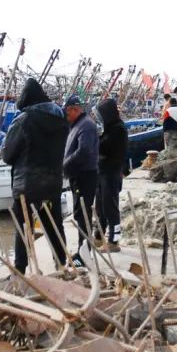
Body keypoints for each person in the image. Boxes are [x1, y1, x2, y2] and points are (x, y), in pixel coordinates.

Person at [2, 78, 69, 273]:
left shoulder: (24, 119)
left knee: (23, 228)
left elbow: (7, 154)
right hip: (53, 182)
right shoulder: (61, 119)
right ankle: (61, 265)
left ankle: (20, 270)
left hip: (27, 184)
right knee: (54, 225)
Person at [62, 95, 99, 266]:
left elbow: (83, 150)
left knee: (83, 215)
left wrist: (65, 165)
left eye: (67, 113)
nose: (66, 117)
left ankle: (84, 254)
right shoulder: (78, 124)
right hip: (79, 176)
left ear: (74, 109)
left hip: (85, 176)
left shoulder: (87, 126)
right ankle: (82, 251)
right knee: (79, 213)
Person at [96, 98, 128, 252]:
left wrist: (95, 141)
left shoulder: (118, 129)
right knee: (101, 207)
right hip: (103, 172)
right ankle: (98, 236)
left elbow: (106, 146)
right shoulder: (110, 128)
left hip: (111, 172)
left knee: (111, 207)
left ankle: (114, 241)